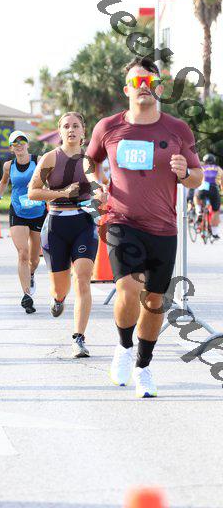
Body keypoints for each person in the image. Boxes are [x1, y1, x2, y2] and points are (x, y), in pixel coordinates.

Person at [86, 56, 203, 398]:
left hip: (163, 227)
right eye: (137, 82)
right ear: (127, 89)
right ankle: (124, 346)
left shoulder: (177, 129)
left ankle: (143, 366)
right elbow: (90, 160)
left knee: (154, 301)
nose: (144, 88)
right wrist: (97, 184)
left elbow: (196, 177)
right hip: (121, 220)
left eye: (150, 82)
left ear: (159, 88)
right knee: (128, 287)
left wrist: (184, 172)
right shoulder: (108, 127)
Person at [28, 112, 106, 357]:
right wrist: (62, 193)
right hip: (56, 227)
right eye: (66, 126)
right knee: (60, 288)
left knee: (82, 277)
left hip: (84, 223)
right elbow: (33, 192)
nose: (71, 130)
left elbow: (95, 181)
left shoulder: (88, 160)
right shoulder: (50, 158)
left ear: (84, 131)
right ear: (60, 132)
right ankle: (58, 299)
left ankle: (78, 338)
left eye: (75, 126)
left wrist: (100, 192)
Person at [0, 131, 47, 314]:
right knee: (23, 253)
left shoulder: (38, 161)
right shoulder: (8, 165)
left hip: (38, 212)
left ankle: (31, 273)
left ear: (27, 144)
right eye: (15, 143)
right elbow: (3, 182)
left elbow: (49, 180)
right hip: (18, 211)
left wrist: (43, 188)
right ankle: (26, 295)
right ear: (11, 148)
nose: (19, 145)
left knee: (34, 259)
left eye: (22, 141)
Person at [194, 153, 223, 240]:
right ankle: (214, 233)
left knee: (196, 197)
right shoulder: (219, 169)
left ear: (205, 161)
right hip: (214, 189)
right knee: (215, 211)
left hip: (203, 188)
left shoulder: (202, 168)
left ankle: (199, 212)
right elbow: (222, 183)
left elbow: (197, 180)